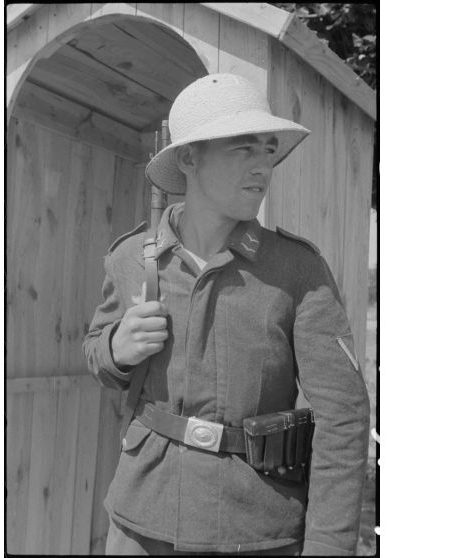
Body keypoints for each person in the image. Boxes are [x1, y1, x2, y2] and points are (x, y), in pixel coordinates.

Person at [83, 73, 370, 556]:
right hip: (139, 522)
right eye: (243, 149)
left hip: (255, 528)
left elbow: (343, 416)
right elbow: (95, 352)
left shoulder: (297, 269)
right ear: (189, 157)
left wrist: (328, 546)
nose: (263, 166)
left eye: (269, 149)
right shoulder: (132, 258)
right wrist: (116, 348)